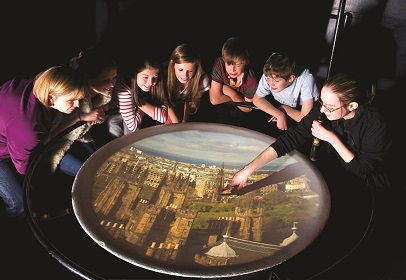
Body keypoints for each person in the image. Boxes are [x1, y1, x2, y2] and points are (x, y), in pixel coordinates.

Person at [225, 72, 391, 192]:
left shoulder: (375, 125)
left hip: (370, 186)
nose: (323, 111)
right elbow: (290, 139)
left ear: (352, 106)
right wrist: (247, 171)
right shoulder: (323, 109)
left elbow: (363, 169)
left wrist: (331, 138)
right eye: (322, 102)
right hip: (338, 174)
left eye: (330, 107)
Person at [0, 65, 86, 219]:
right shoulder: (28, 127)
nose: (77, 104)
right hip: (3, 153)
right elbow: (23, 168)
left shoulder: (34, 83)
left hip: (11, 136)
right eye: (71, 100)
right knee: (20, 202)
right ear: (51, 96)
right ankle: (20, 225)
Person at [253, 51, 320, 132]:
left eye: (276, 81)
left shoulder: (306, 79)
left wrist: (283, 109)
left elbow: (305, 119)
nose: (271, 84)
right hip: (284, 112)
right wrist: (279, 114)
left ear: (291, 78)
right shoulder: (270, 74)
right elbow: (256, 99)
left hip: (309, 119)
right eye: (268, 79)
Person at [69, 44, 120, 147]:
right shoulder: (71, 96)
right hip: (62, 143)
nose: (112, 84)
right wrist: (82, 117)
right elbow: (53, 134)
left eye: (114, 78)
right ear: (88, 78)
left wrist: (100, 117)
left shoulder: (104, 97)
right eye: (105, 80)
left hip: (85, 137)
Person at [209, 37, 258, 128]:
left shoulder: (251, 80)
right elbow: (214, 99)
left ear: (245, 62)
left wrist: (231, 93)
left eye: (238, 65)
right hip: (222, 109)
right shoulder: (219, 63)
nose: (233, 70)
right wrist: (239, 99)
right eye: (229, 64)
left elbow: (247, 109)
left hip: (241, 116)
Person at [114, 56, 168, 134]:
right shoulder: (123, 86)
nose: (150, 82)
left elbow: (162, 117)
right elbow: (133, 126)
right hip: (116, 115)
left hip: (138, 115)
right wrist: (145, 107)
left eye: (154, 78)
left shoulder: (158, 84)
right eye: (145, 77)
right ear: (135, 74)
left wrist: (138, 102)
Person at [165, 43, 210, 123]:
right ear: (172, 64)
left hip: (189, 111)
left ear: (196, 68)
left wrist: (184, 121)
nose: (185, 75)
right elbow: (164, 100)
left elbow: (191, 103)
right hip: (166, 109)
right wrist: (175, 120)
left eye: (190, 71)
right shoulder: (163, 75)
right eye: (181, 70)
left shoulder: (202, 79)